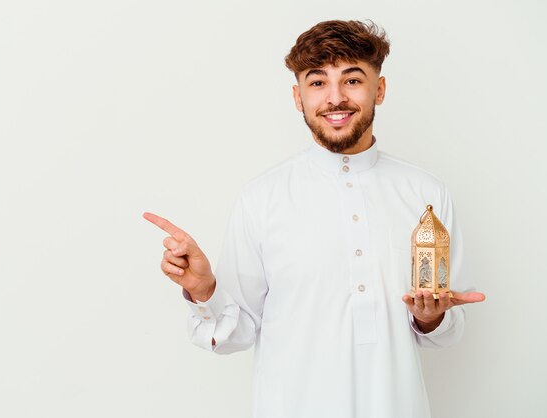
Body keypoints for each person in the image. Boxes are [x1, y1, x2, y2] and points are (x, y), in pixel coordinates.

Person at [144, 19, 485, 418]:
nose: (335, 98)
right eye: (318, 82)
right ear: (297, 96)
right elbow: (237, 334)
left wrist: (432, 318)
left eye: (353, 80)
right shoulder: (262, 198)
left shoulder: (425, 194)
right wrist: (204, 292)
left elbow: (447, 332)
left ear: (381, 88)